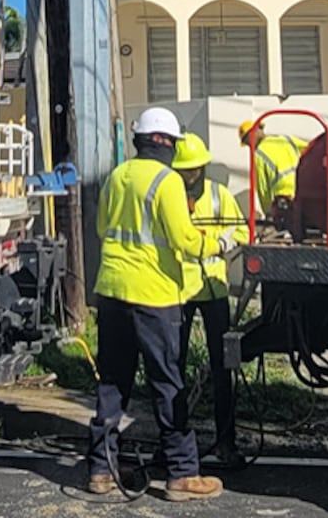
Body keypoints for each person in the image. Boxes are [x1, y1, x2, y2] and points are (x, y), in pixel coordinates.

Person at [90, 107, 224, 501]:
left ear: (140, 141)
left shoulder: (117, 175)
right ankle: (182, 473)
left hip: (112, 293)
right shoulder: (167, 182)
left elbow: (102, 229)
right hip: (154, 297)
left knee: (113, 382)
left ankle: (102, 469)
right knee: (167, 383)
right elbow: (184, 240)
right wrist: (219, 244)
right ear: (167, 144)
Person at [174, 132, 247, 465]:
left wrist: (223, 242)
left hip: (214, 289)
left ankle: (225, 442)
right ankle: (174, 441)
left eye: (194, 169)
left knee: (223, 369)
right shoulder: (168, 196)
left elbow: (242, 232)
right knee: (173, 370)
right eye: (184, 170)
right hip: (177, 291)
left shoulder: (218, 196)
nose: (190, 176)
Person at [239, 119, 305, 232]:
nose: (250, 147)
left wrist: (269, 214)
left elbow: (263, 190)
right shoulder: (286, 139)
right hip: (305, 193)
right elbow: (310, 149)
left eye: (248, 143)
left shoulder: (259, 154)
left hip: (285, 201)